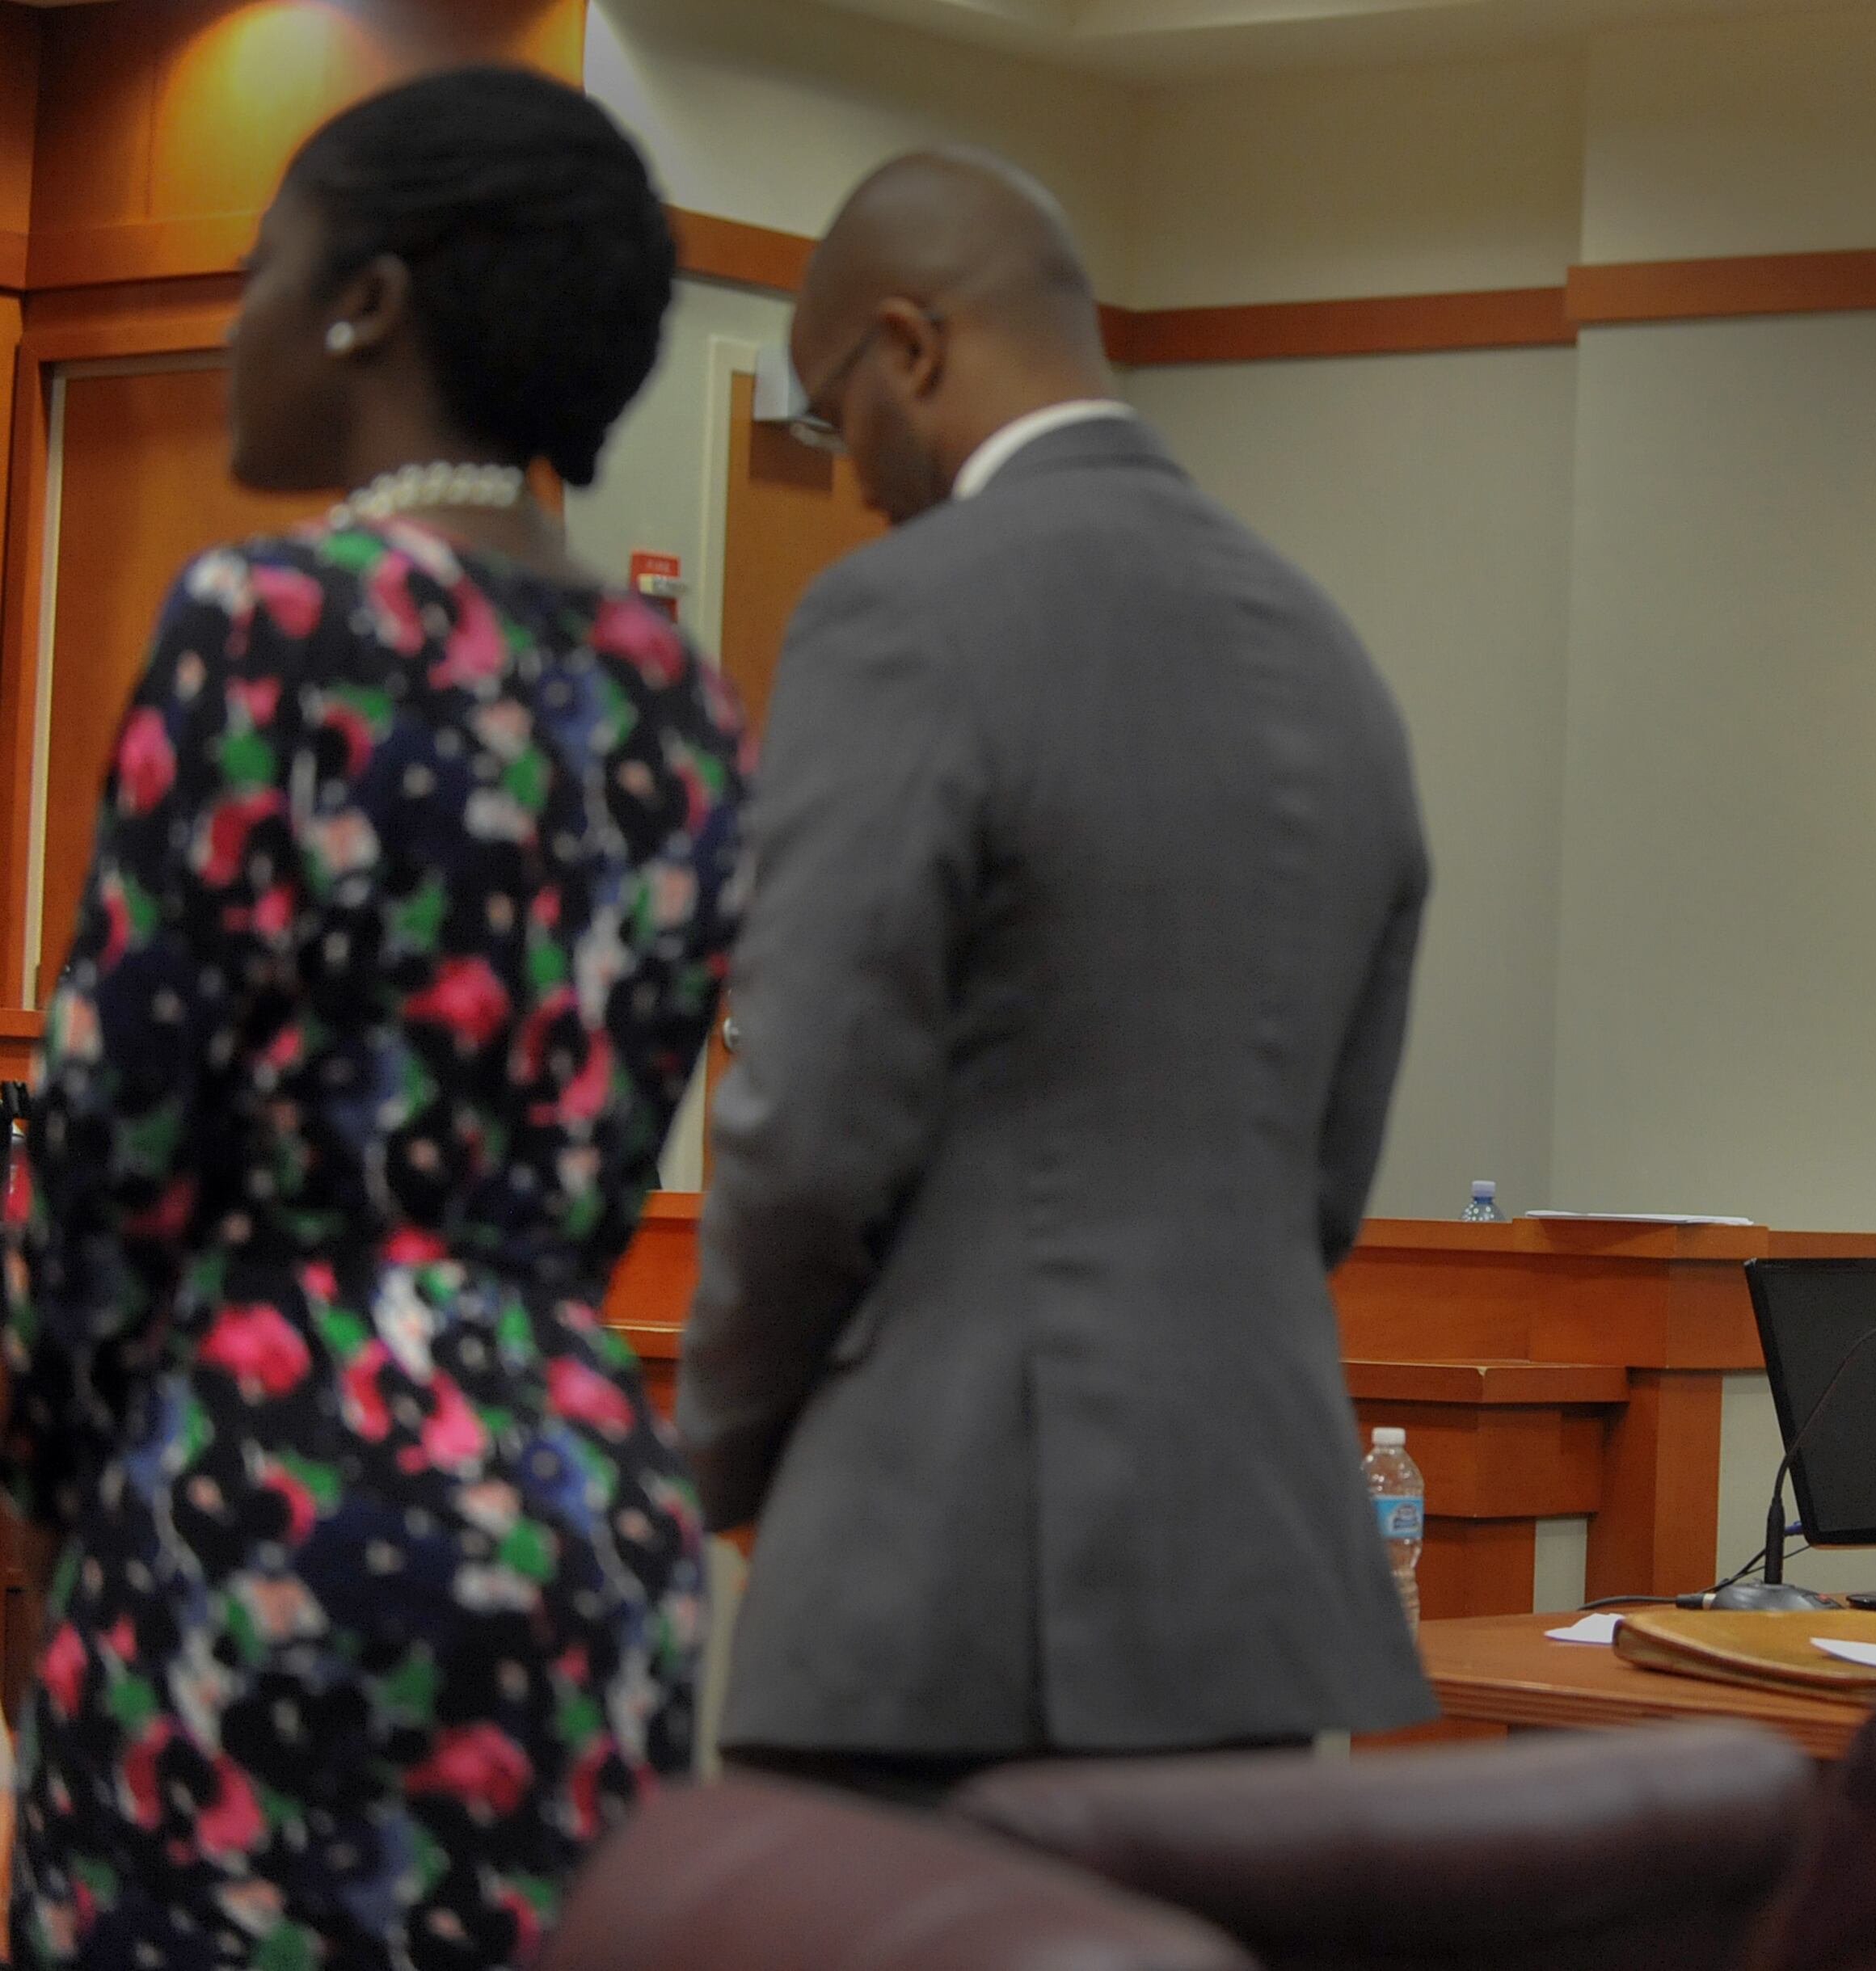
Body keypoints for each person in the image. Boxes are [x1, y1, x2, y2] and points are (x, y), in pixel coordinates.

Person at [2, 68, 740, 1969]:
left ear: (370, 304)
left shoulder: (266, 622)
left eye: (265, 263)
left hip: (267, 1487)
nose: (236, 320)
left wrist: (35, 1492)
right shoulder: (676, 690)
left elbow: (110, 1134)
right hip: (583, 1502)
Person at [676, 150, 1435, 1802]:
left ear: (911, 346)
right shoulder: (1326, 652)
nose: (851, 473)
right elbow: (1324, 1172)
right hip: (1252, 1577)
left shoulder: (897, 616)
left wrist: (720, 1461)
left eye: (835, 408)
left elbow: (806, 1128)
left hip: (937, 1573)